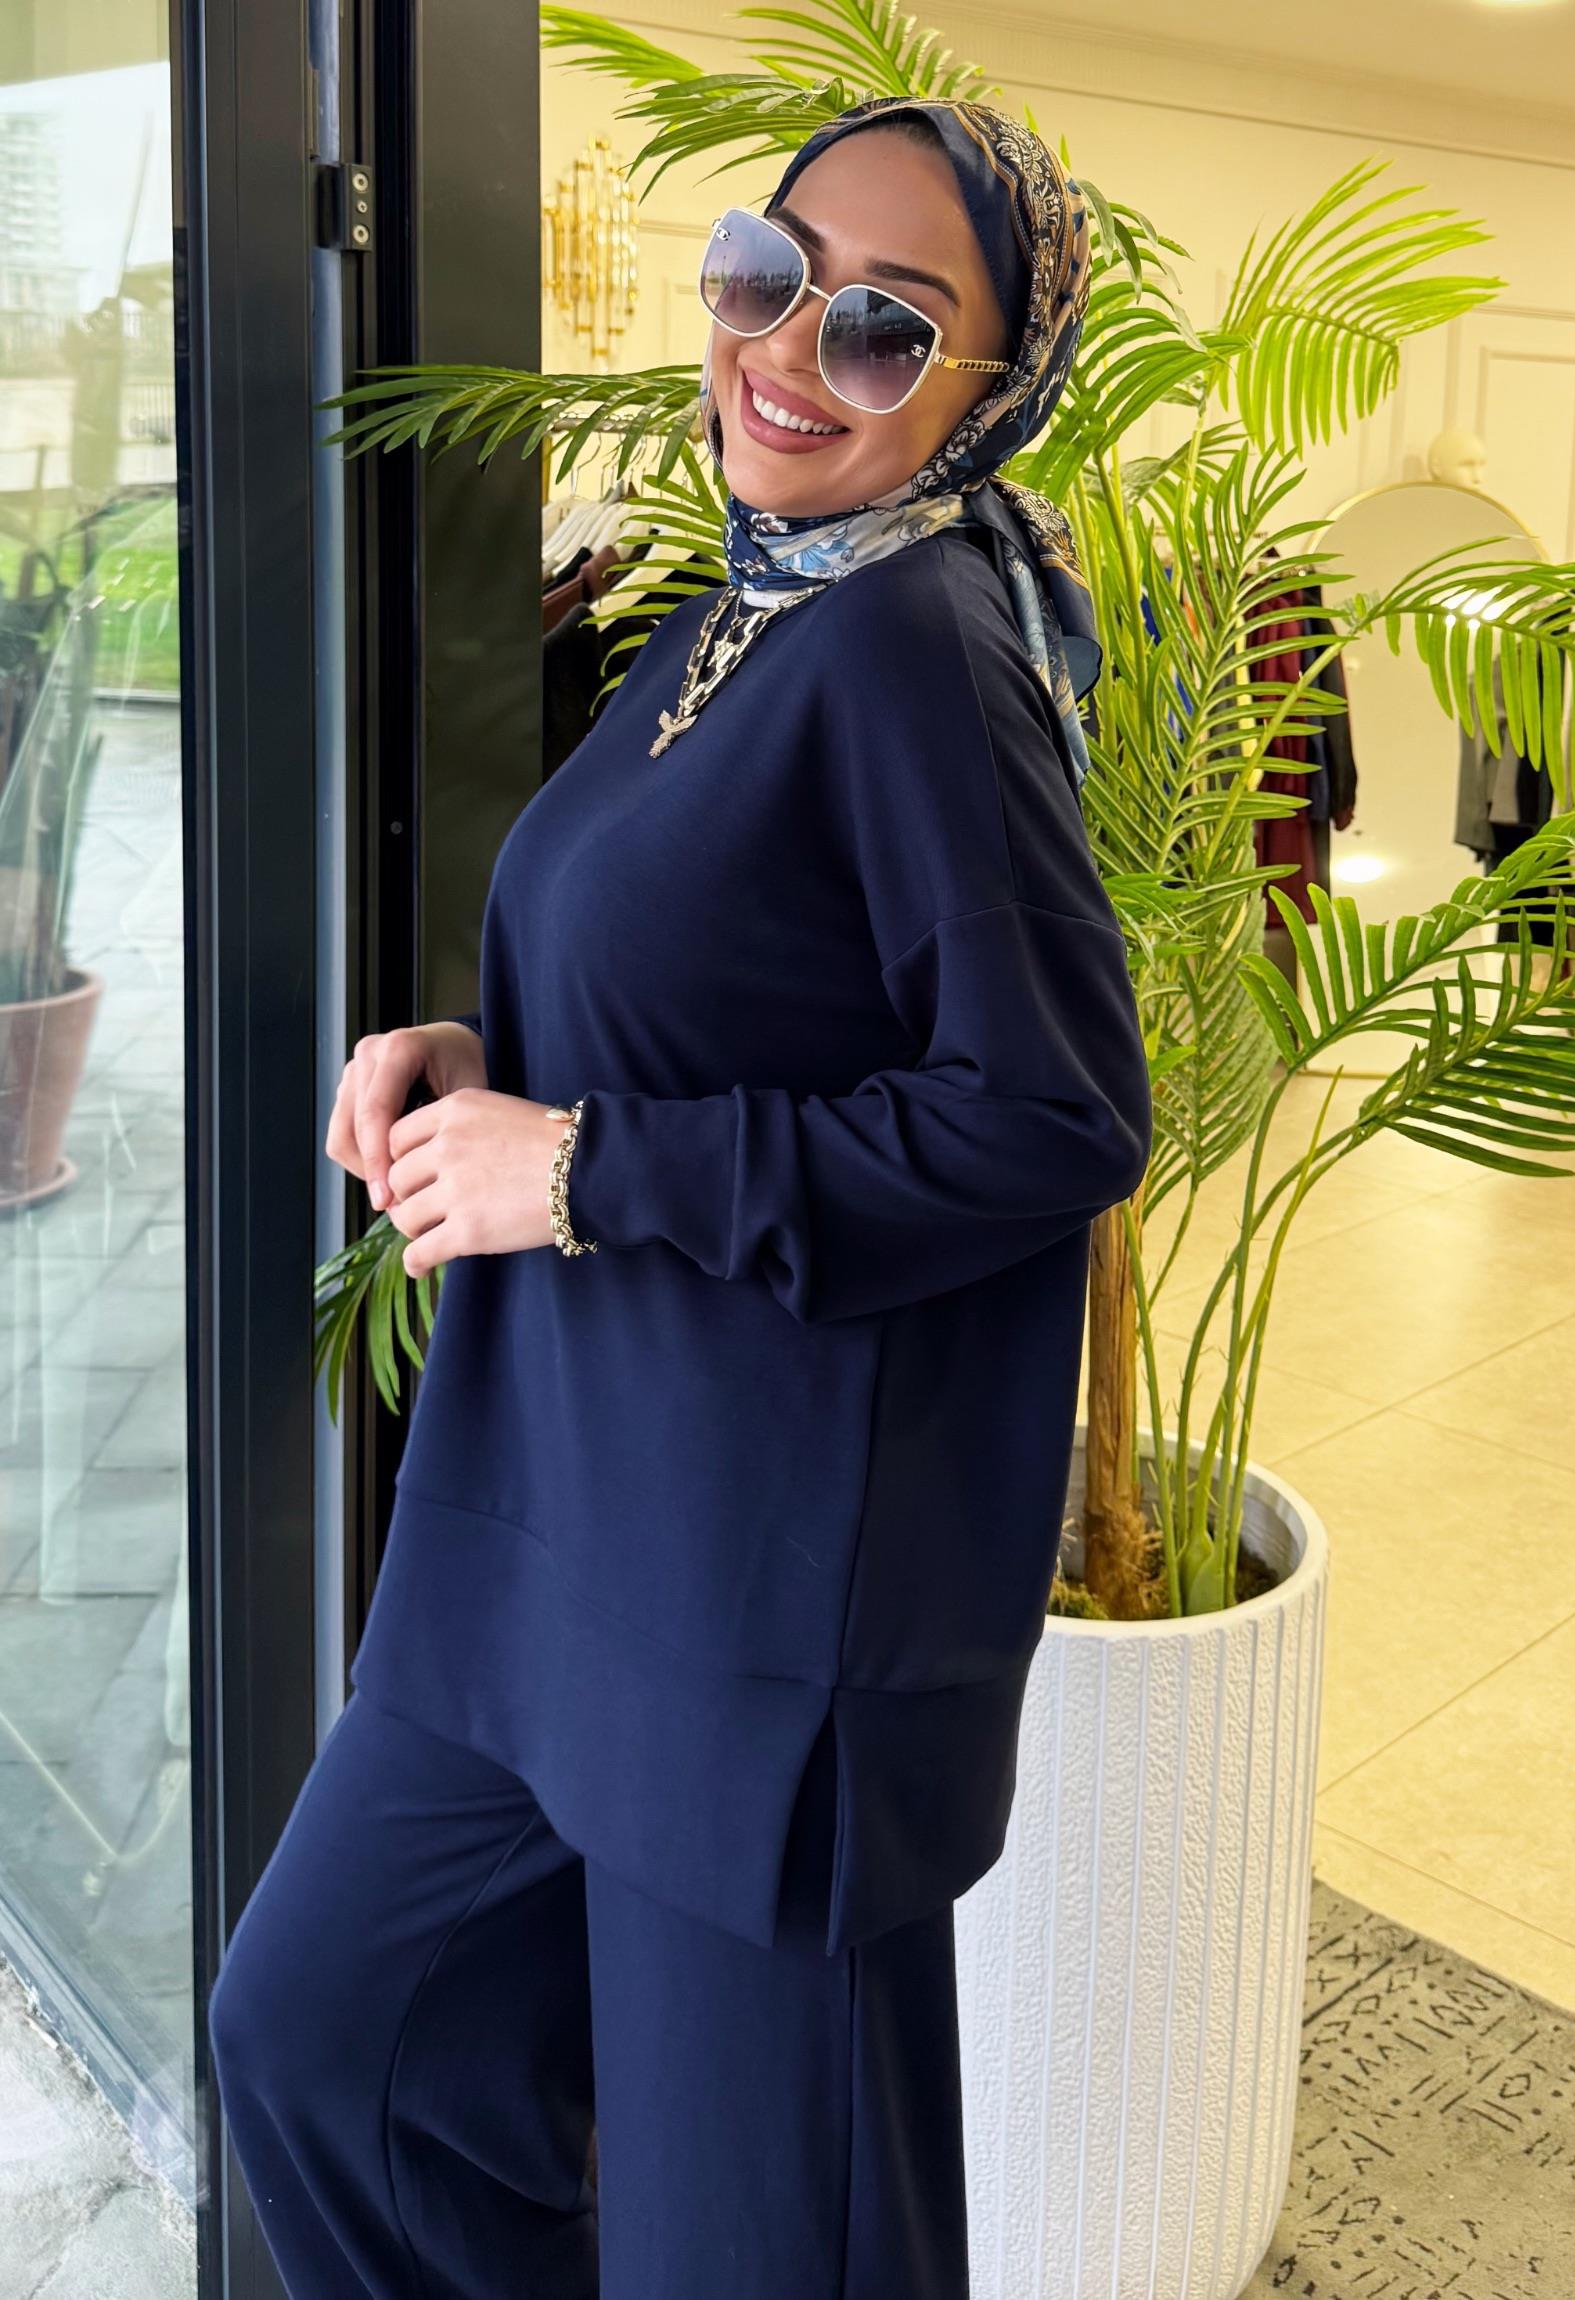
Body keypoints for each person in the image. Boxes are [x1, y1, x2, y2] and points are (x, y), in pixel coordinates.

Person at [207, 95, 1152, 2299]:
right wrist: (486, 1071)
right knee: (332, 2042)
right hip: (547, 1540)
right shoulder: (740, 604)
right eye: (767, 273)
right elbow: (726, 989)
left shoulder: (922, 644)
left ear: (987, 389)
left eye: (885, 327)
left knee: (758, 2246)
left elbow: (1048, 1115)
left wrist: (586, 1166)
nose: (789, 351)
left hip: (755, 1603)